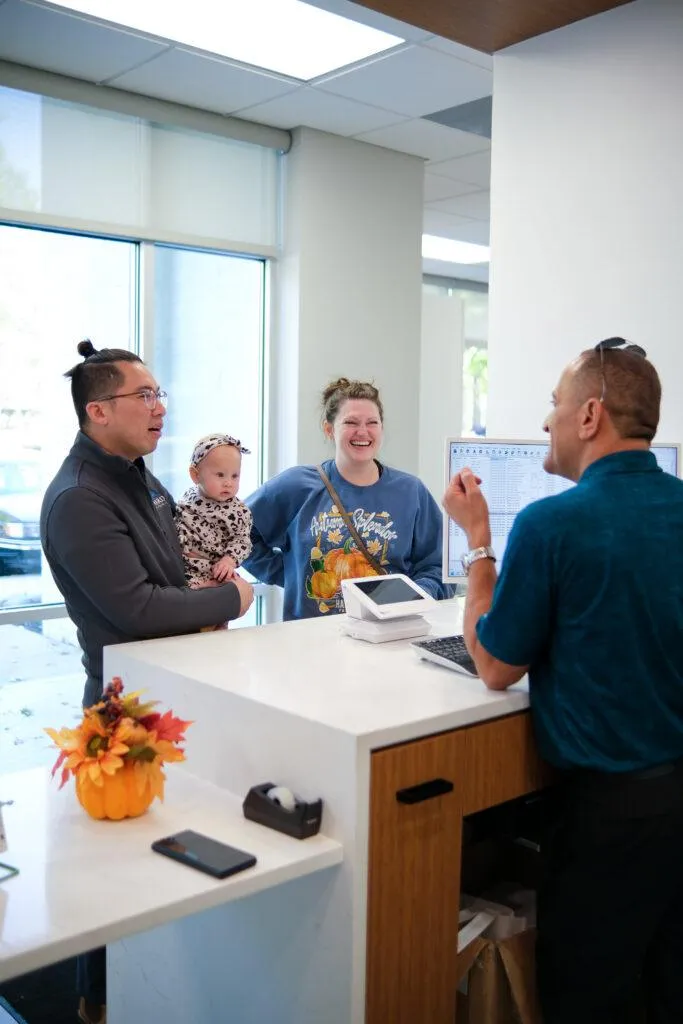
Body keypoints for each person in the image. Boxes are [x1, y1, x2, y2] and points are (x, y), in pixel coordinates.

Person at [443, 337, 683, 1024]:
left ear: (589, 418)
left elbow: (492, 664)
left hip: (609, 817)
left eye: (554, 404)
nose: (545, 420)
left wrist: (479, 544)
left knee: (588, 993)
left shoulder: (554, 524)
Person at [40, 341, 254, 1024]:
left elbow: (171, 571)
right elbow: (137, 607)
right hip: (119, 712)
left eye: (161, 393)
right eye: (144, 396)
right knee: (111, 883)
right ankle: (96, 1005)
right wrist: (233, 600)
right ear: (97, 410)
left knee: (161, 870)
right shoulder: (80, 497)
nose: (161, 407)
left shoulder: (141, 477)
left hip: (170, 692)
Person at [244, 376, 452, 619]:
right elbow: (237, 530)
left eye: (372, 422)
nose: (362, 432)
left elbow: (438, 567)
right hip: (310, 642)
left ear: (381, 428)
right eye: (351, 422)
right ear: (329, 429)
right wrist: (290, 574)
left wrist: (412, 597)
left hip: (389, 635)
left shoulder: (411, 492)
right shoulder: (296, 486)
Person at [175, 433, 252, 587]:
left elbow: (242, 541)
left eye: (235, 476)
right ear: (195, 475)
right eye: (220, 475)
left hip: (211, 571)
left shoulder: (239, 511)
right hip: (179, 565)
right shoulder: (189, 496)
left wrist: (229, 560)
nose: (228, 483)